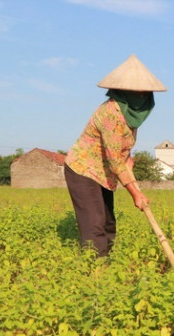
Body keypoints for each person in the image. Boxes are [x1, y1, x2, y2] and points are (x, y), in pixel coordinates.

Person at [64, 54, 167, 257]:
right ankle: (96, 275)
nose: (143, 97)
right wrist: (136, 194)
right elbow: (114, 158)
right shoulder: (110, 113)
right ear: (124, 92)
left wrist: (129, 161)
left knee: (108, 223)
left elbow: (121, 151)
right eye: (138, 92)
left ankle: (107, 268)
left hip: (105, 172)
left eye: (145, 93)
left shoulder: (131, 116)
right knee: (94, 226)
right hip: (83, 171)